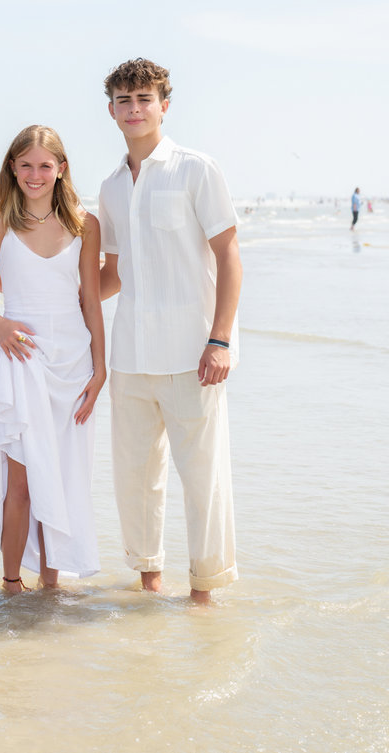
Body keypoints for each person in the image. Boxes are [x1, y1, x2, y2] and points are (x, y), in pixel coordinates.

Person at [97, 58, 242, 605]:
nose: (134, 109)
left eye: (144, 99)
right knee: (135, 482)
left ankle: (204, 591)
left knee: (203, 480)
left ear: (163, 104)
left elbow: (229, 256)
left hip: (193, 355)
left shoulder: (195, 168)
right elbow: (114, 274)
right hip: (130, 357)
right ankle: (149, 585)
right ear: (110, 110)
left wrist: (220, 339)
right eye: (124, 101)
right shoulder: (110, 187)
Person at [0, 126, 107, 593]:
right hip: (20, 357)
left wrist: (101, 367)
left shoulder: (85, 224)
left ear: (61, 169)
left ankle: (50, 586)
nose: (35, 174)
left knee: (64, 476)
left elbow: (90, 299)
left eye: (45, 165)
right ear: (11, 167)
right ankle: (10, 585)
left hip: (73, 364)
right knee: (22, 482)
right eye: (25, 164)